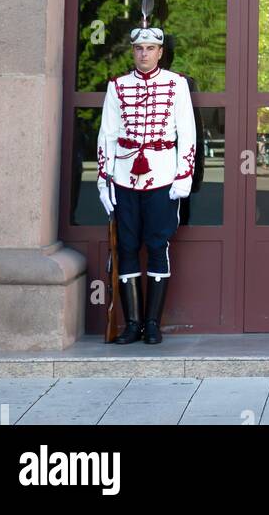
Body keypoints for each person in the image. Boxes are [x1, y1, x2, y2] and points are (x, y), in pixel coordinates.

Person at [97, 22, 197, 344]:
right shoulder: (117, 86)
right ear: (133, 51)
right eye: (139, 49)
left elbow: (187, 133)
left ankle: (153, 323)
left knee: (157, 246)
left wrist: (183, 176)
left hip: (163, 177)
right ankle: (132, 324)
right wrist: (104, 180)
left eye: (151, 48)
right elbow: (108, 136)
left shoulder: (176, 84)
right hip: (125, 177)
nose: (144, 54)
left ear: (160, 52)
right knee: (126, 247)